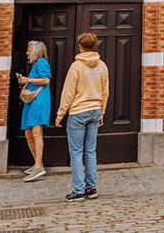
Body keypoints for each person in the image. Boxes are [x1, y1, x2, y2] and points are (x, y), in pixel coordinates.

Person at [54, 33, 109, 202]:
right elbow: (105, 92)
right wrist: (102, 112)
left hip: (78, 112)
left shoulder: (76, 67)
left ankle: (78, 191)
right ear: (94, 46)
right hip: (94, 110)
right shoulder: (102, 66)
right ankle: (91, 188)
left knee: (76, 152)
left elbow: (68, 93)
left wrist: (60, 114)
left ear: (80, 46)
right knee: (90, 151)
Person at [16, 40, 51, 182]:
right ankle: (37, 162)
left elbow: (46, 80)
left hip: (39, 101)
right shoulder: (35, 64)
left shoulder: (42, 63)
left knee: (36, 133)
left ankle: (38, 167)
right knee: (28, 133)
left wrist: (28, 80)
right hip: (32, 102)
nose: (27, 52)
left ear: (36, 51)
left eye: (29, 50)